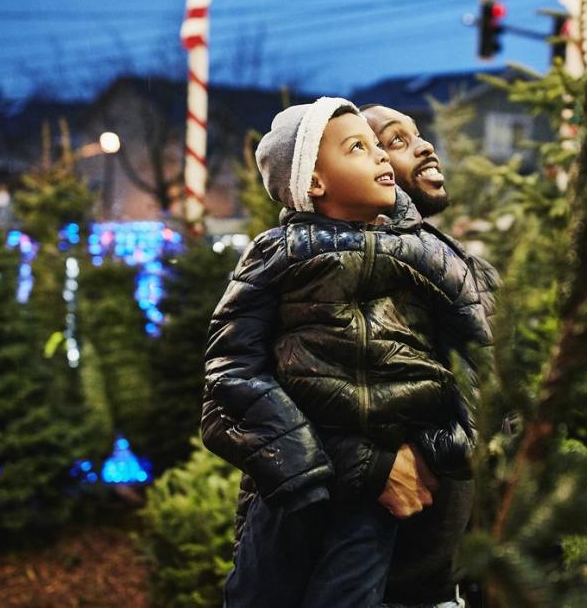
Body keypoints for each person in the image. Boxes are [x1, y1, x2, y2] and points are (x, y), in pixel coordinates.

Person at [203, 97, 492, 608]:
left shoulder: (448, 265)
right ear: (314, 181)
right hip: (317, 505)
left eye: (394, 142)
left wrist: (435, 448)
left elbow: (489, 383)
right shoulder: (285, 253)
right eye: (378, 144)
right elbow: (229, 386)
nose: (395, 153)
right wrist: (369, 466)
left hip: (433, 573)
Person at [361, 104, 499, 608]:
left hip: (466, 572)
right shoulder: (347, 265)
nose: (425, 146)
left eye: (419, 135)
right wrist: (373, 465)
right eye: (396, 141)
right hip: (392, 581)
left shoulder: (468, 268)